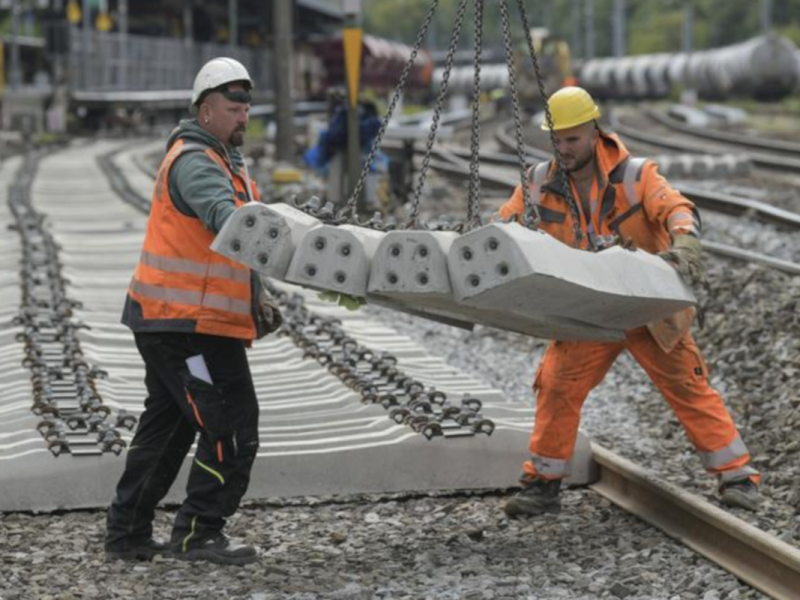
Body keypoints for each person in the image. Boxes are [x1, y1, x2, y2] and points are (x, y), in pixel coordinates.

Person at [500, 87, 760, 517]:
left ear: (594, 131)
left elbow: (676, 208)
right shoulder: (538, 182)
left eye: (572, 139)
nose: (563, 149)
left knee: (687, 387)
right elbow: (503, 225)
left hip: (647, 308)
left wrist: (686, 242)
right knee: (556, 385)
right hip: (589, 309)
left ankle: (737, 478)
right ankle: (542, 484)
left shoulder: (636, 176)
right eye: (557, 140)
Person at [104, 58, 282, 565]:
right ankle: (198, 534)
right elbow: (226, 220)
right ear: (206, 110)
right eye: (233, 107)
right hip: (187, 329)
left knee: (169, 428)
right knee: (230, 423)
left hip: (175, 322)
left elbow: (223, 246)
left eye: (247, 106)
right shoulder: (198, 162)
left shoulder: (221, 158)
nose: (243, 115)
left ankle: (127, 534)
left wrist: (257, 297)